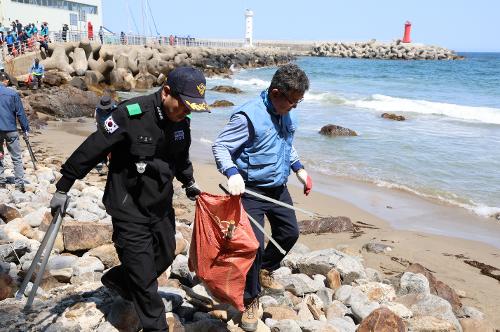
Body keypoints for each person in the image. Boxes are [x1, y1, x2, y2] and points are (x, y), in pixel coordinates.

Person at [49, 66, 209, 332]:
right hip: (128, 205)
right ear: (166, 92)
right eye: (183, 105)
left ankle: (120, 279)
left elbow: (180, 157)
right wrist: (63, 186)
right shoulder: (131, 113)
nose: (186, 112)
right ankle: (155, 326)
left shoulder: (182, 121)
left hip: (160, 204)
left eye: (192, 107)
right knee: (146, 280)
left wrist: (189, 182)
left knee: (166, 253)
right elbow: (93, 147)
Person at [212, 63, 312, 332]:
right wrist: (232, 173)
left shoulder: (287, 112)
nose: (294, 106)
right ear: (276, 92)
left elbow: (285, 145)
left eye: (298, 102)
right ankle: (250, 299)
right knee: (253, 246)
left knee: (289, 234)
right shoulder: (248, 116)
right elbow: (220, 146)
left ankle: (262, 271)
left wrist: (299, 169)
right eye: (292, 101)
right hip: (250, 191)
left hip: (278, 187)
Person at [0, 72, 30, 192]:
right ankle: (19, 184)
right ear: (6, 81)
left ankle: (1, 182)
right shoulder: (12, 93)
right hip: (10, 129)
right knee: (16, 157)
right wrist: (25, 129)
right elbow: (20, 113)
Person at [93, 94, 116, 174]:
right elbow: (97, 121)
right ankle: (105, 163)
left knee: (107, 148)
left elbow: (96, 121)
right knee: (106, 148)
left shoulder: (98, 110)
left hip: (109, 129)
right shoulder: (98, 110)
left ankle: (106, 163)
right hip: (104, 130)